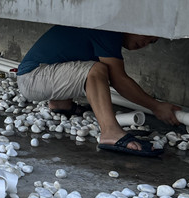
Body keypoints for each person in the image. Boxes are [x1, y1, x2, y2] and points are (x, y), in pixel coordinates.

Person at [16, 25, 180, 157]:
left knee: (88, 65)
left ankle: (61, 104)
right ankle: (110, 132)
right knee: (96, 70)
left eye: (152, 42)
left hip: (34, 77)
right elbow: (119, 80)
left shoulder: (105, 28)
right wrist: (156, 106)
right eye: (147, 35)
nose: (145, 43)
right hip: (32, 78)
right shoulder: (109, 30)